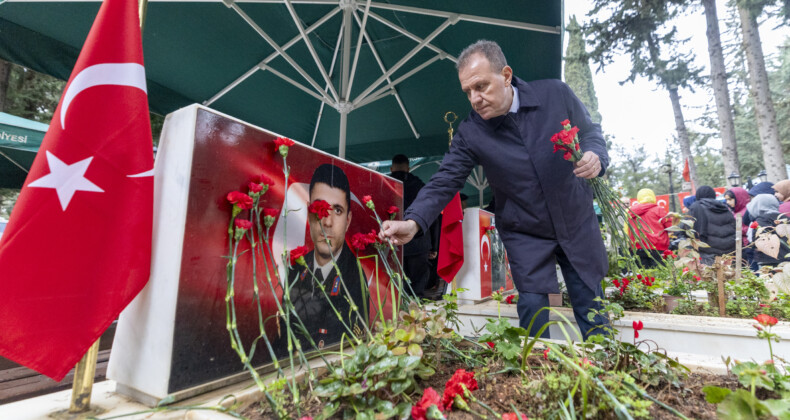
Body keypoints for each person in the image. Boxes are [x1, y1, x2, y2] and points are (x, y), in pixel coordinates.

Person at [379, 40, 609, 340]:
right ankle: (539, 380)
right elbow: (445, 180)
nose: (475, 99)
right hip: (525, 232)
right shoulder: (471, 132)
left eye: (481, 86)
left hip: (575, 221)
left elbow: (591, 132)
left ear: (506, 75)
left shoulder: (555, 93)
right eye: (468, 92)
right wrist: (413, 221)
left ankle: (607, 372)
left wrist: (596, 156)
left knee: (591, 307)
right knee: (533, 314)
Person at [289, 163, 365, 350]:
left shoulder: (355, 277)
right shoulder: (297, 269)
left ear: (348, 221)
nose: (327, 222)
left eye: (337, 210)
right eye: (319, 208)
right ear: (308, 212)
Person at [388, 154, 434, 298]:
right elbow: (432, 213)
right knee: (417, 287)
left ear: (391, 168)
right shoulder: (420, 185)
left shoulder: (385, 182)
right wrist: (434, 245)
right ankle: (416, 313)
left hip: (392, 240)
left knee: (395, 286)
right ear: (408, 168)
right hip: (419, 241)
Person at [686, 186, 735, 265]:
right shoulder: (724, 207)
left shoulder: (696, 207)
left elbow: (690, 229)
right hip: (728, 251)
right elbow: (733, 227)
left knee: (710, 276)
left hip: (707, 253)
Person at [627, 189, 671, 268]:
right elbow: (670, 227)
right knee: (660, 275)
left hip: (638, 247)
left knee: (643, 276)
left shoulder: (631, 212)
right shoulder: (659, 209)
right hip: (657, 246)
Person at [746, 194, 789, 267]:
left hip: (766, 261)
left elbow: (753, 242)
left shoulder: (758, 222)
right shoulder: (785, 219)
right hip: (787, 260)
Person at [724, 187, 753, 268]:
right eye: (726, 200)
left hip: (747, 245)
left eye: (730, 199)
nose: (728, 202)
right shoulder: (735, 211)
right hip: (740, 246)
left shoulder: (747, 211)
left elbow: (749, 228)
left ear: (739, 198)